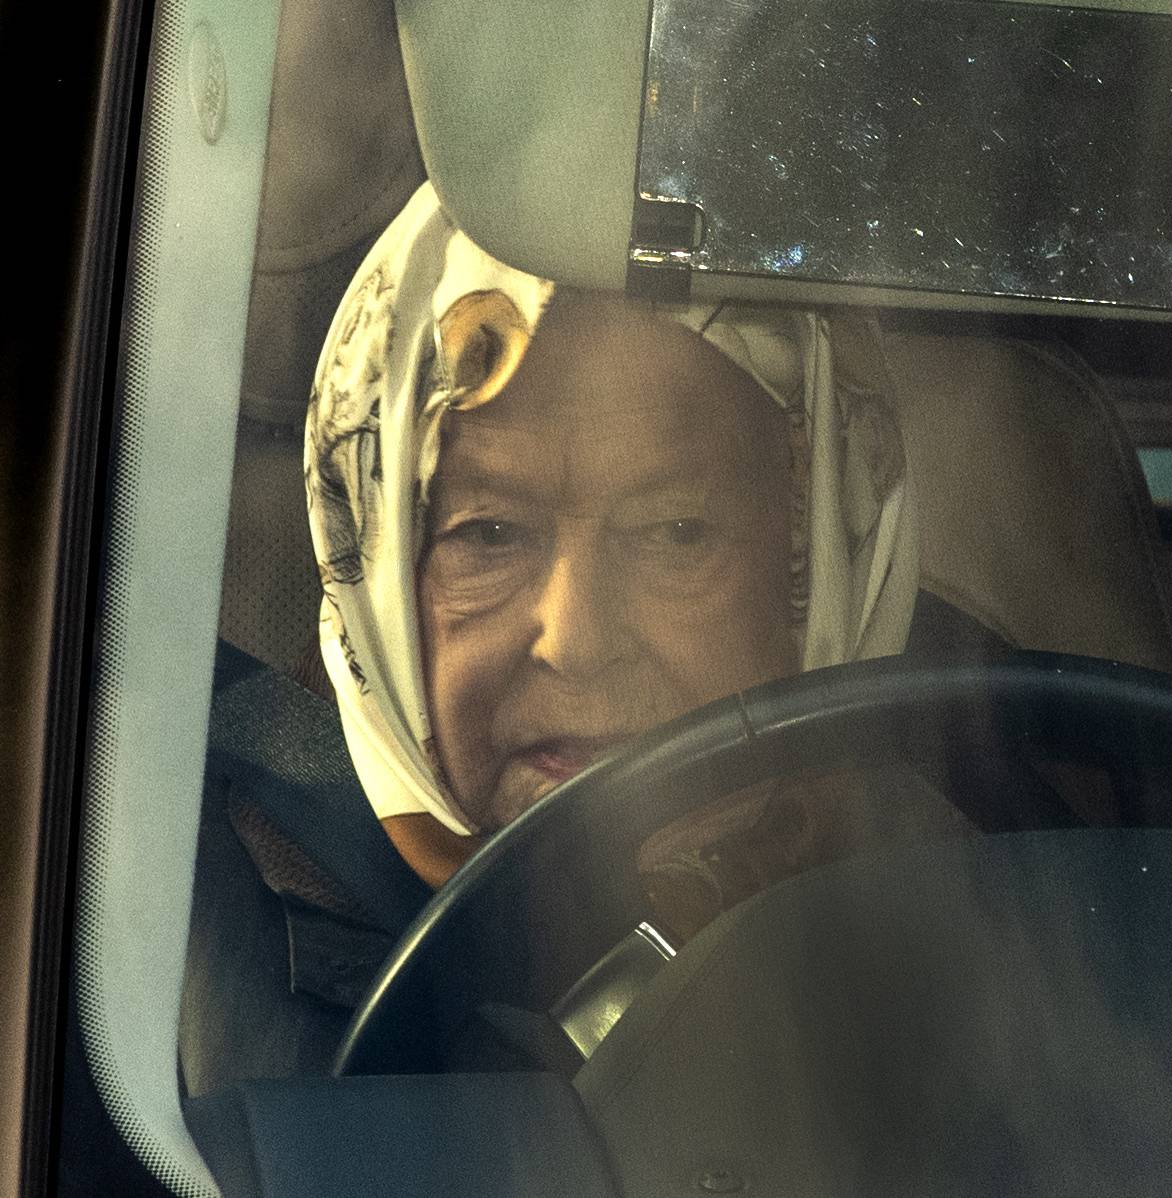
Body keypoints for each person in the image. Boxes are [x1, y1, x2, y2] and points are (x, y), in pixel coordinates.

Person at [303, 182, 996, 941]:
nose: (577, 645)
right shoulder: (240, 936)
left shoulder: (993, 879)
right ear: (383, 588)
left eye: (675, 531)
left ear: (819, 567)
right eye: (490, 535)